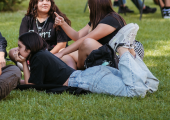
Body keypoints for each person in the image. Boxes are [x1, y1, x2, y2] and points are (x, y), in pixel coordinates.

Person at [12, 25, 159, 97]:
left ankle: (121, 47)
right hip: (92, 74)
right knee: (150, 85)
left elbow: (32, 85)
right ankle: (130, 48)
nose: (18, 50)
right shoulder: (42, 55)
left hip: (87, 80)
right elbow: (32, 80)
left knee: (136, 91)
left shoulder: (38, 58)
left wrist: (23, 63)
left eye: (19, 47)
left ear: (30, 47)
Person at [53, 0, 127, 70]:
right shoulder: (98, 19)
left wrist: (61, 53)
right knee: (65, 53)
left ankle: (80, 71)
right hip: (99, 54)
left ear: (93, 6)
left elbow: (84, 40)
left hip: (112, 59)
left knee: (87, 42)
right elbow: (78, 36)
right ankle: (73, 75)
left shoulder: (111, 19)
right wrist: (63, 23)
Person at [8, 0, 71, 67]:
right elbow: (23, 41)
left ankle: (34, 67)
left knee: (63, 53)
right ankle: (30, 67)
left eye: (48, 0)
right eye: (41, 0)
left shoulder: (58, 19)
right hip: (33, 52)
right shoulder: (27, 19)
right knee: (12, 52)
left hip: (53, 52)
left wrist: (47, 56)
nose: (45, 3)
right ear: (35, 3)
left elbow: (62, 44)